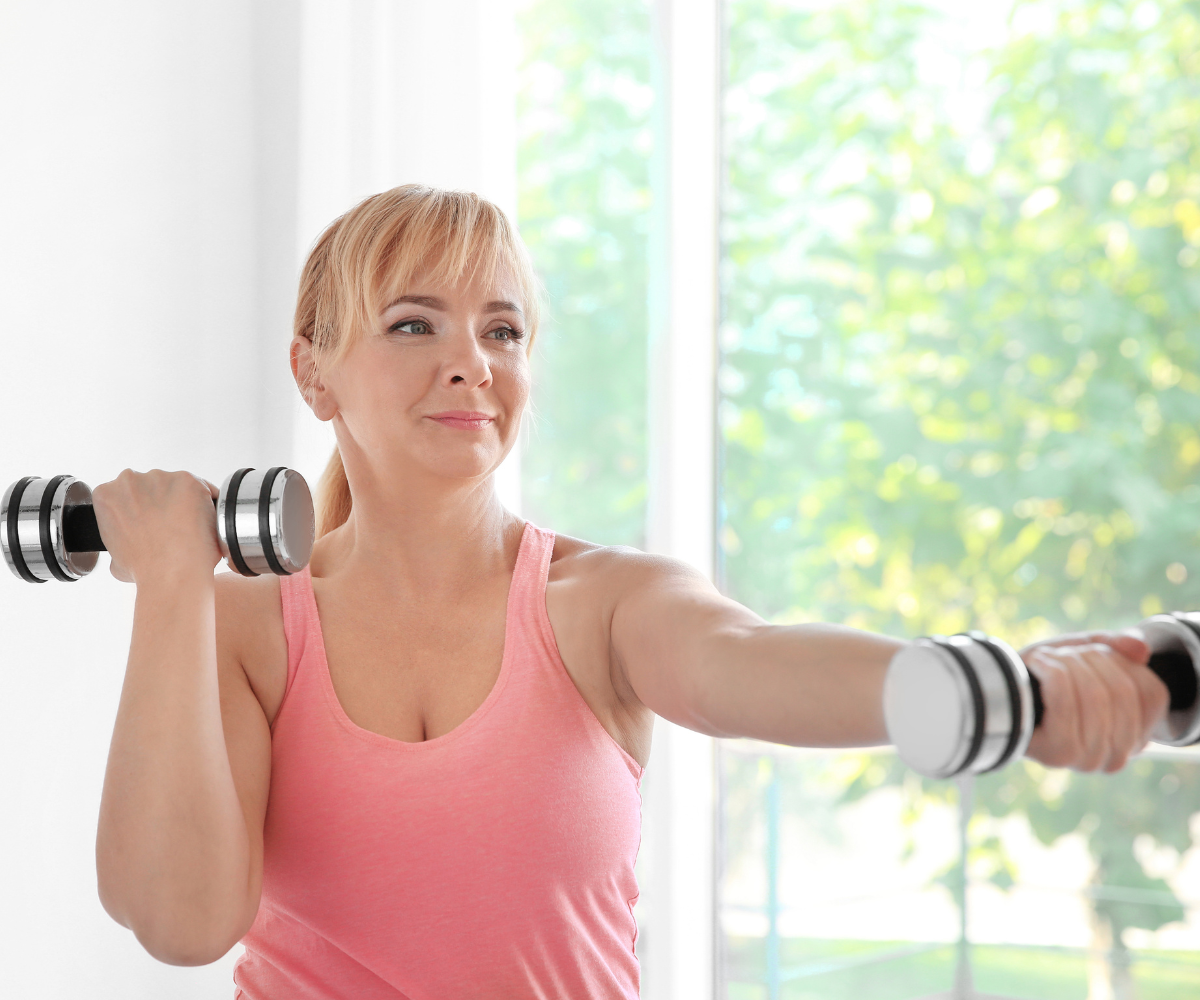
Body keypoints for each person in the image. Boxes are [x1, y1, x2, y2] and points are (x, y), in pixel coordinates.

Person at [92, 185, 1168, 999]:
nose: (472, 362)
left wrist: (1000, 690)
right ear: (313, 372)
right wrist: (173, 584)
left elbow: (749, 662)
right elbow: (182, 917)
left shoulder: (601, 605)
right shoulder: (245, 629)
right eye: (414, 323)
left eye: (502, 330)